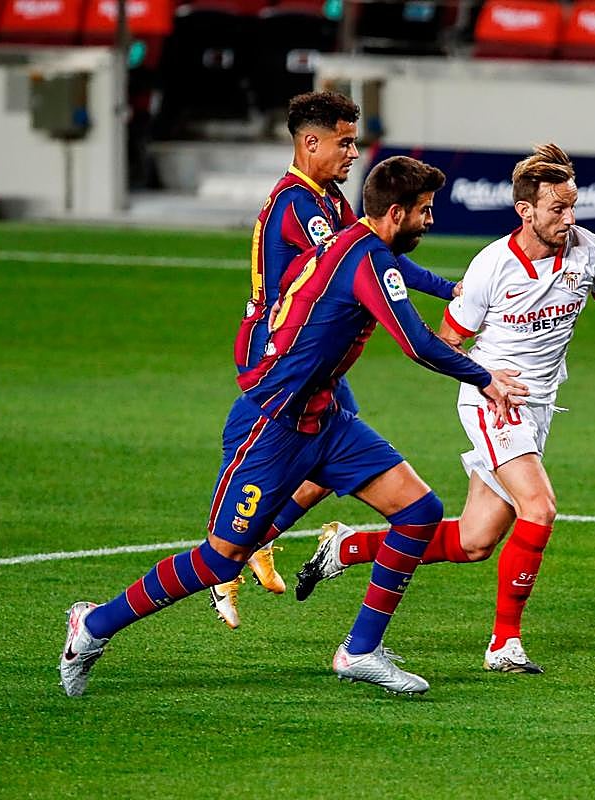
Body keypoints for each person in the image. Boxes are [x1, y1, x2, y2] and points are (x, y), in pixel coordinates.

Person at [58, 156, 528, 697]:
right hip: (272, 428)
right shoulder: (365, 260)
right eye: (424, 212)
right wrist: (485, 377)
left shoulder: (357, 243)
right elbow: (416, 343)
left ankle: (360, 651)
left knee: (419, 510)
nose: (430, 221)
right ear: (396, 214)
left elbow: (395, 281)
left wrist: (455, 291)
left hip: (325, 421)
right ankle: (92, 626)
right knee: (218, 560)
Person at [294, 143, 595, 674]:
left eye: (573, 206)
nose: (569, 219)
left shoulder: (589, 252)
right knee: (540, 507)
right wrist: (485, 382)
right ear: (525, 211)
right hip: (492, 403)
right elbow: (445, 340)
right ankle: (504, 645)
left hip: (539, 407)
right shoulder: (491, 267)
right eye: (558, 209)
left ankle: (346, 548)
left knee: (475, 540)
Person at [212, 90, 460, 628]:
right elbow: (361, 266)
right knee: (324, 452)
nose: (353, 153)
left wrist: (449, 289)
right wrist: (449, 296)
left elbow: (376, 256)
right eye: (345, 142)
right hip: (286, 356)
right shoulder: (297, 204)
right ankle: (230, 561)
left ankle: (252, 543)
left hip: (313, 358)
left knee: (330, 458)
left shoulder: (328, 200)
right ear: (310, 142)